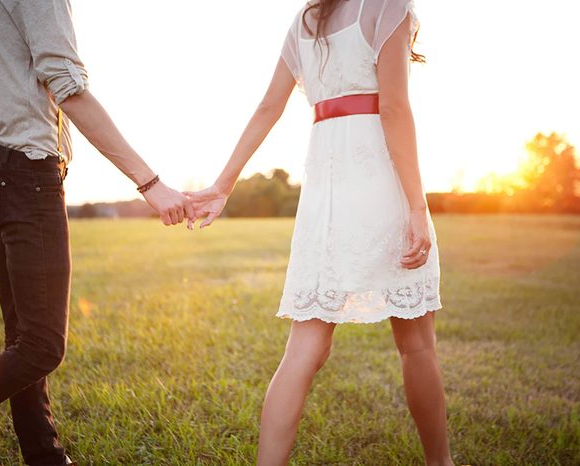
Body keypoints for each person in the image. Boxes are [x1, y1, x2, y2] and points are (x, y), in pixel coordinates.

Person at [186, 0, 454, 464]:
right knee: (416, 345)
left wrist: (222, 184)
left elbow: (269, 106)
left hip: (324, 195)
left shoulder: (307, 19)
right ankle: (441, 463)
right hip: (379, 184)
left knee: (304, 346)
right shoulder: (389, 5)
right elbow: (392, 107)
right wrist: (416, 205)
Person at [0, 1, 193, 464]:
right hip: (26, 173)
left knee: (23, 339)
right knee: (40, 347)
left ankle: (46, 457)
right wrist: (150, 184)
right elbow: (70, 90)